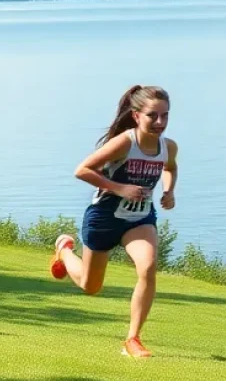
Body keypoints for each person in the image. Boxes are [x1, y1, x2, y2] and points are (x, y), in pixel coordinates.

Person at [49, 85, 178, 359]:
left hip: (140, 218)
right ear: (135, 116)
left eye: (165, 116)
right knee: (90, 286)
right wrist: (119, 188)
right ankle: (63, 249)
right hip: (104, 217)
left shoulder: (168, 147)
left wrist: (169, 191)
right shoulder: (125, 143)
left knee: (149, 266)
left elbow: (170, 168)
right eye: (152, 116)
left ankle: (132, 339)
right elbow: (81, 170)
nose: (160, 123)